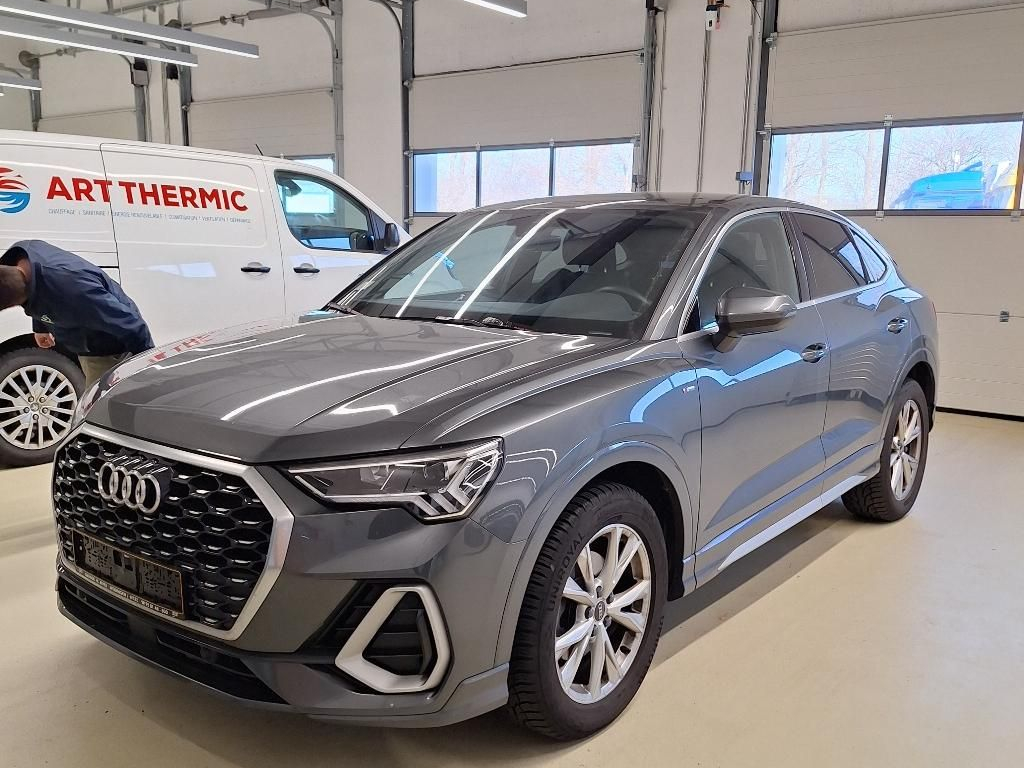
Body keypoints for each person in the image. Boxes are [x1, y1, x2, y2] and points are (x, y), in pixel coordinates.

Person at [0, 239, 154, 388]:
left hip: (108, 348)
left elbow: (131, 325)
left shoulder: (77, 290)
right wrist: (41, 326)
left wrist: (149, 369)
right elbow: (33, 290)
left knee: (102, 402)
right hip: (86, 335)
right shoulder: (20, 257)